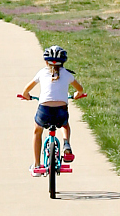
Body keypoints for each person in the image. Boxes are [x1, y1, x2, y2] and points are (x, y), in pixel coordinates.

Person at [19, 45, 86, 177]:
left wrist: (26, 95)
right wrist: (77, 94)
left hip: (44, 109)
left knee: (37, 131)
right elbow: (80, 89)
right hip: (60, 110)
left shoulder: (42, 73)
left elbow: (26, 90)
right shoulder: (67, 74)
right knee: (64, 124)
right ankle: (66, 144)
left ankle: (37, 164)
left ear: (46, 61)